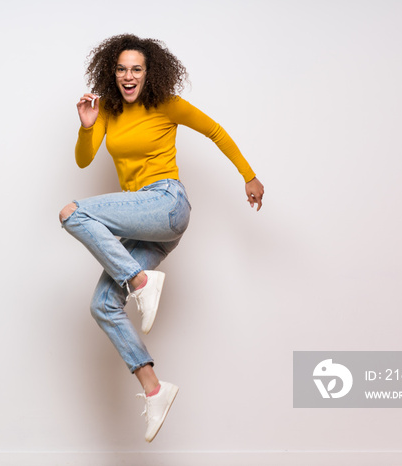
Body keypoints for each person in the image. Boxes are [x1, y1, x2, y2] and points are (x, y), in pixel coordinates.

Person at [59, 34, 264, 442]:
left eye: (136, 68)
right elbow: (84, 159)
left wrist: (249, 175)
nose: (128, 76)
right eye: (121, 69)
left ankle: (139, 280)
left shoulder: (166, 104)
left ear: (149, 72)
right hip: (148, 226)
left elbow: (215, 131)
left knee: (72, 213)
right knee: (102, 305)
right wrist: (86, 127)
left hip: (166, 203)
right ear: (111, 73)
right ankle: (155, 389)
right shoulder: (108, 112)